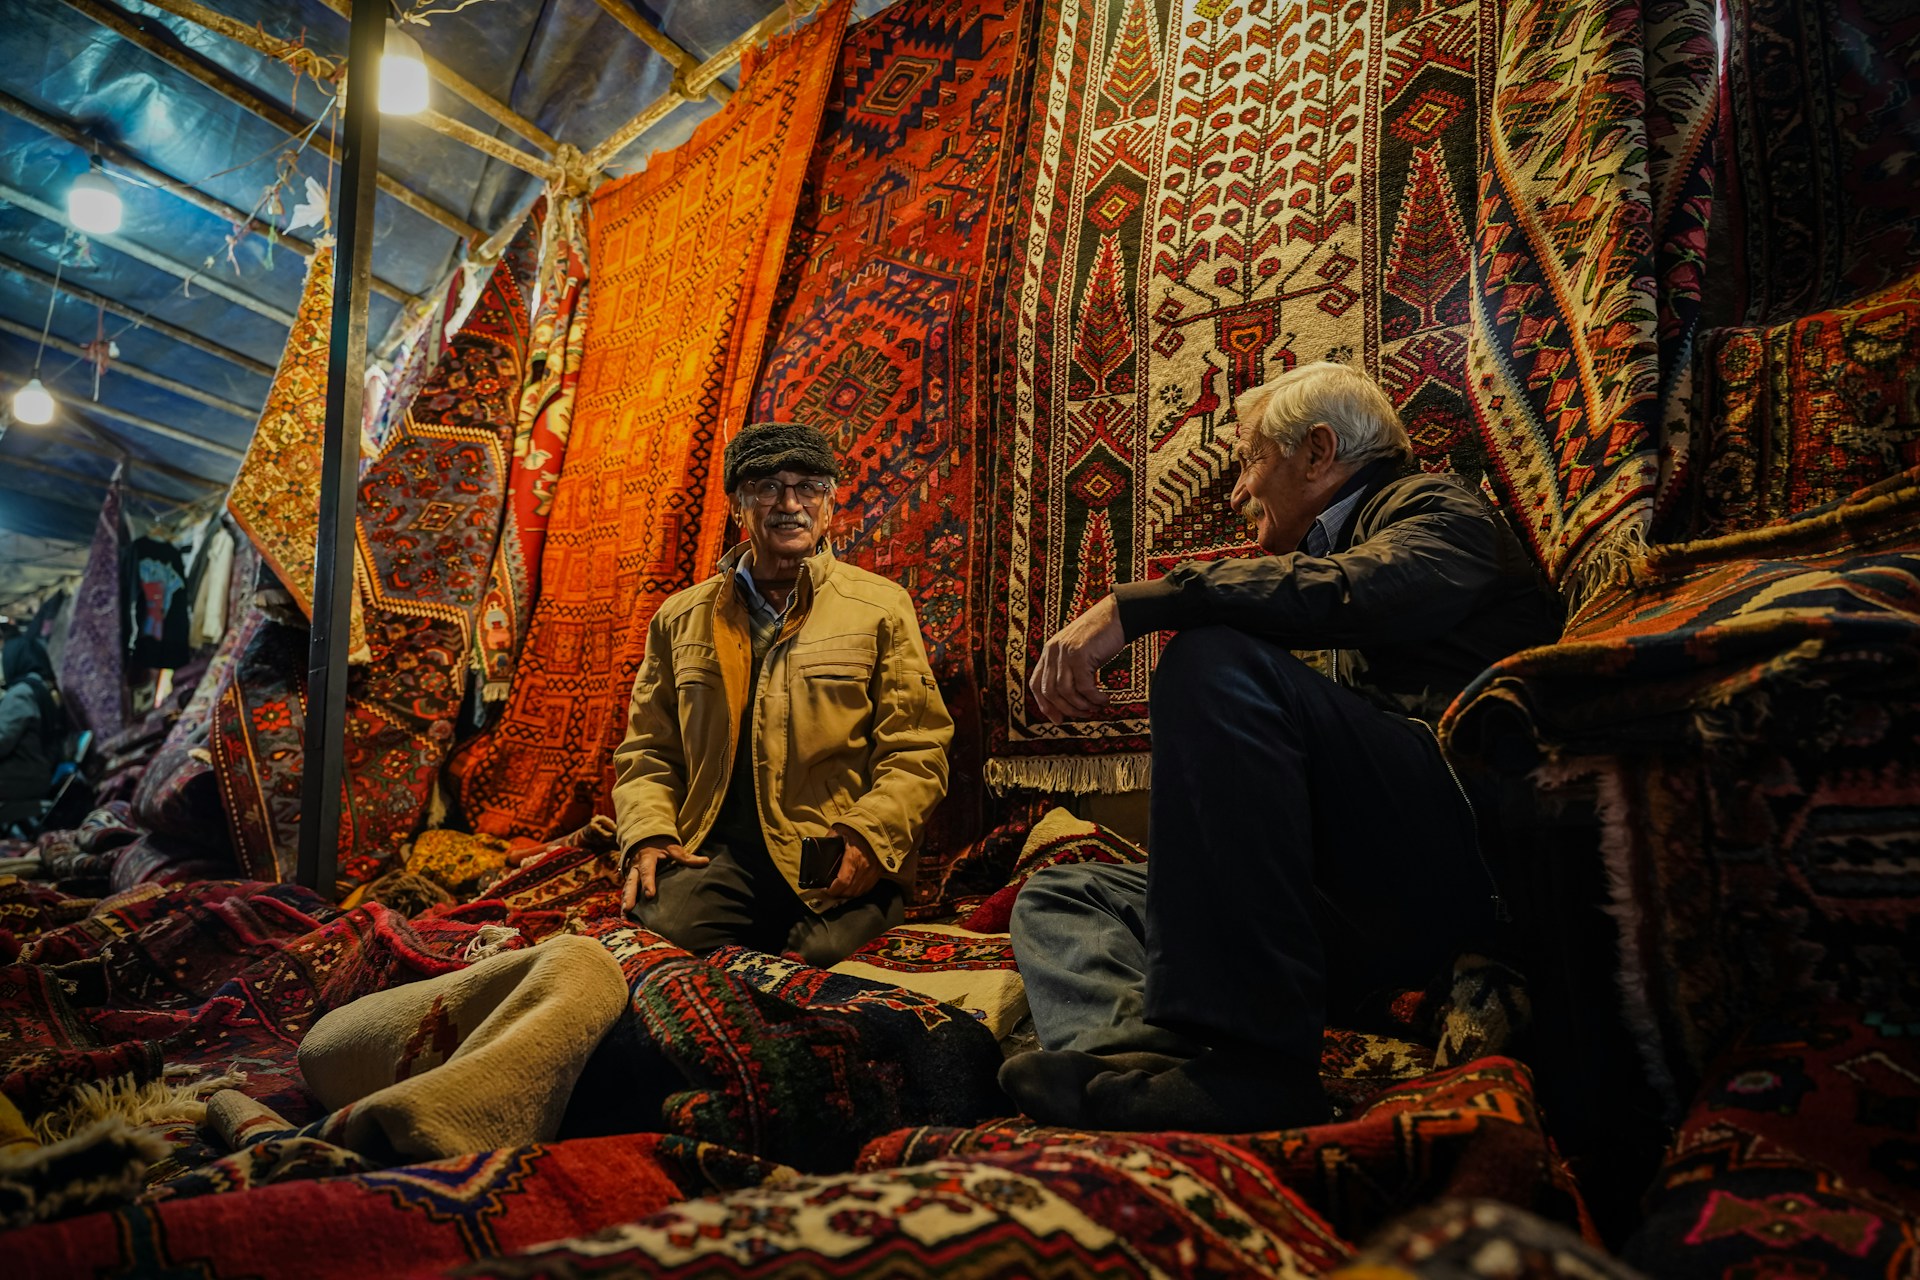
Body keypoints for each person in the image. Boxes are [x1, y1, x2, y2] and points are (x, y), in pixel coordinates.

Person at [1003, 361, 1562, 1132]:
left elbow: (1365, 589)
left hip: (1461, 850)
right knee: (1067, 894)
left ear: (1318, 451)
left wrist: (1142, 606)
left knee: (1211, 659)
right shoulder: (1333, 546)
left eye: (1247, 461)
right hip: (1361, 890)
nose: (1238, 491)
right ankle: (1150, 1062)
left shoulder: (1436, 508)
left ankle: (1256, 1071)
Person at [612, 421, 953, 967]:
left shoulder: (880, 607)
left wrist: (869, 836)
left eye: (808, 486)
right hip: (717, 851)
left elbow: (917, 748)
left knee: (819, 962)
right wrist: (647, 833)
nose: (788, 504)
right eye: (767, 487)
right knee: (656, 945)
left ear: (830, 503)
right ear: (736, 507)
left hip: (830, 849)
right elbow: (648, 751)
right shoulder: (680, 618)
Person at [0, 631, 67, 827]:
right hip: (38, 772)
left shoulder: (21, 693)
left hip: (23, 776)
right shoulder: (43, 689)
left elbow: (2, 740)